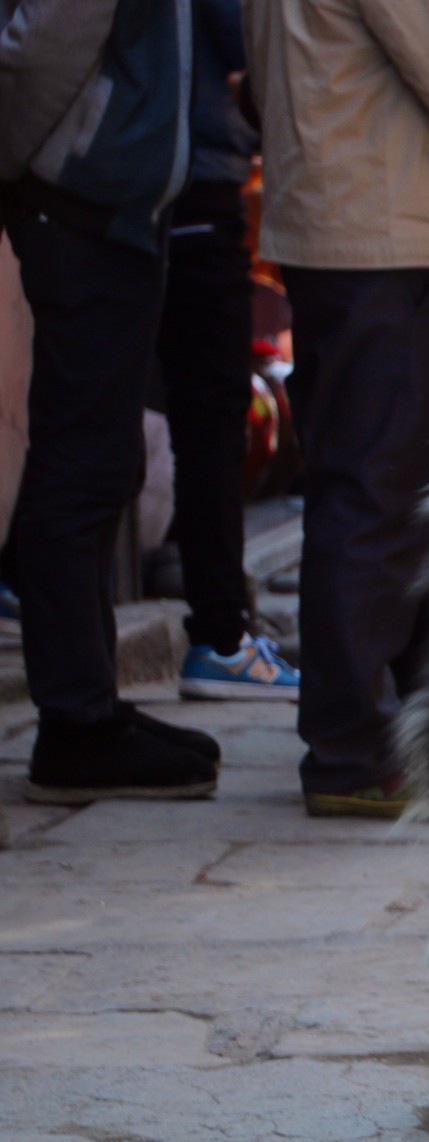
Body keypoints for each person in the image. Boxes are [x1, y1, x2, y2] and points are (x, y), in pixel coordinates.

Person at [245, 0, 429, 816]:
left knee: (372, 486)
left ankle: (387, 730)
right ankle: (356, 748)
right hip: (392, 227)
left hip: (345, 220)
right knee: (382, 492)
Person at [1, 0, 226, 803]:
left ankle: (91, 707)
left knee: (100, 461)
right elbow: (40, 49)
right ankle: (75, 725)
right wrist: (42, 166)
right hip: (79, 209)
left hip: (108, 210)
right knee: (81, 466)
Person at [162, 0, 303, 703]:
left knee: (97, 412)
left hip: (143, 177)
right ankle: (219, 637)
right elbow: (244, 38)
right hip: (194, 176)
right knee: (212, 421)